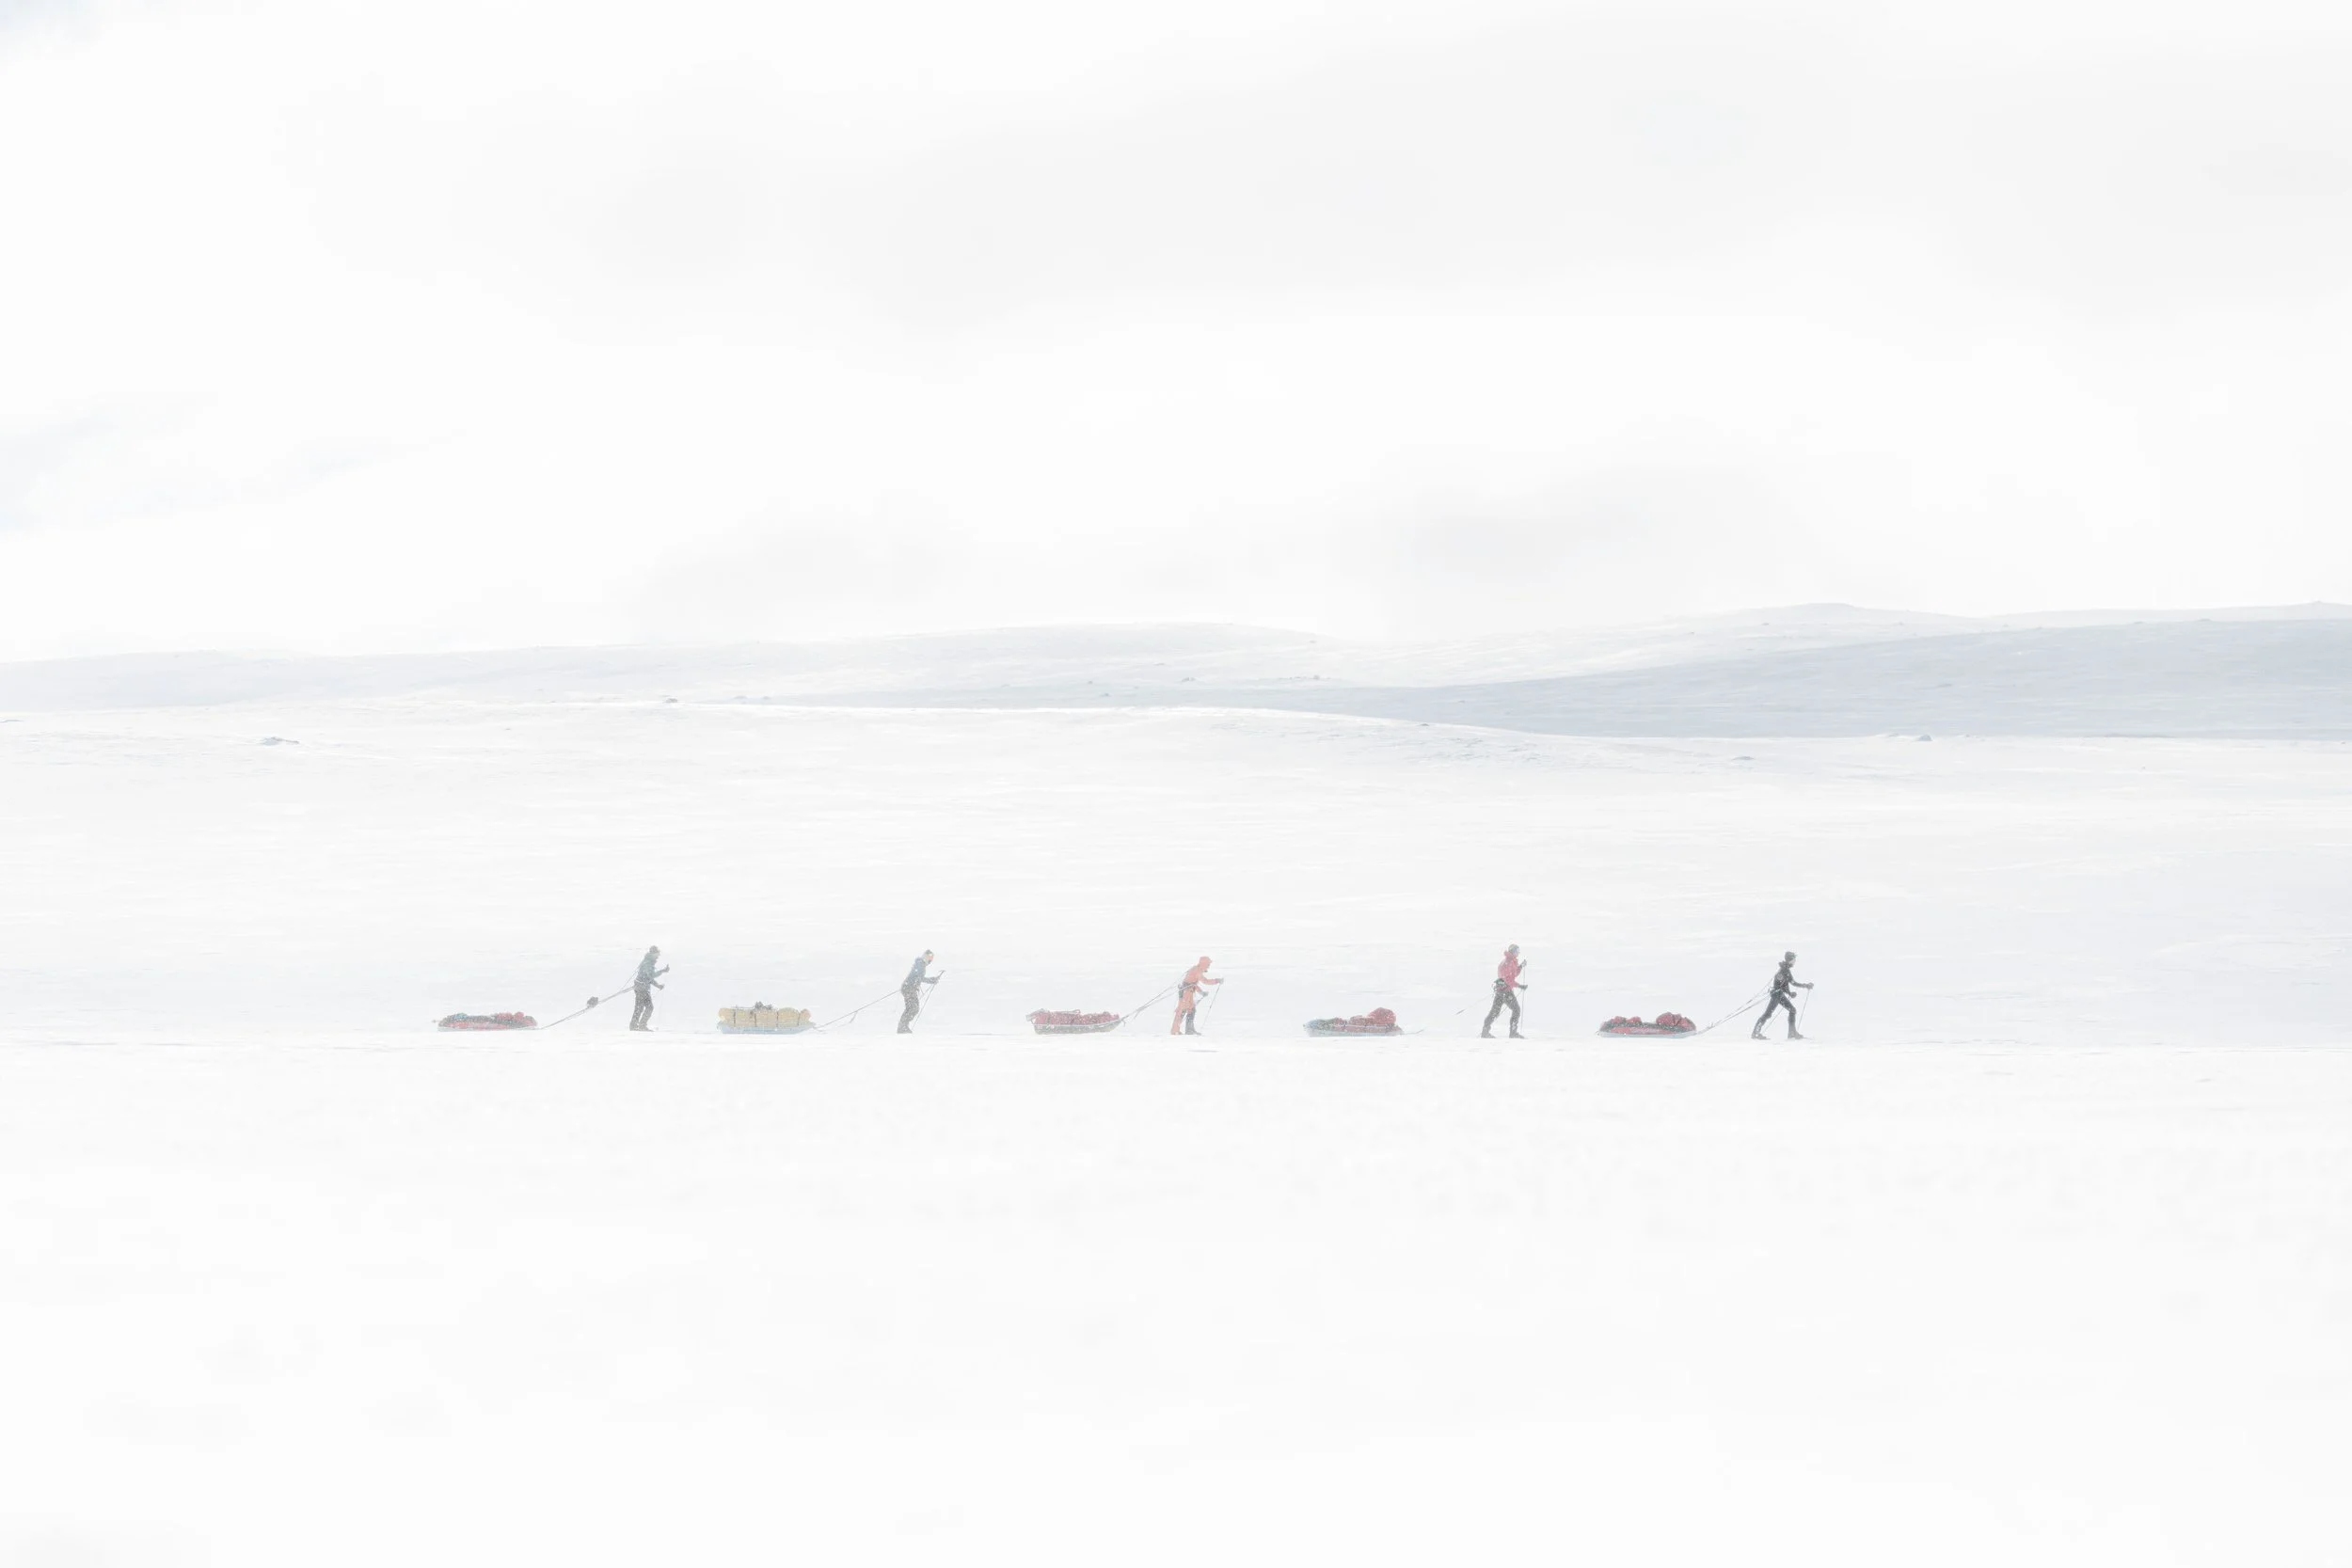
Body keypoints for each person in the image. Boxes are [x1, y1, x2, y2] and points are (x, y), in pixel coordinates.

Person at [1752, 950, 1812, 1039]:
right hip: (1776, 995)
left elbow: (1784, 984)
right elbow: (1791, 983)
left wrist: (1789, 993)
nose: (1795, 962)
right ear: (1790, 960)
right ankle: (1755, 1033)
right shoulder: (1784, 970)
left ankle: (1792, 1033)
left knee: (1792, 1010)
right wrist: (1805, 986)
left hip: (1779, 995)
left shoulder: (1785, 969)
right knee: (1768, 1014)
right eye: (1794, 960)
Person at [1481, 943, 1527, 1038]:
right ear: (1512, 951)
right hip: (1505, 991)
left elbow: (1513, 974)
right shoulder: (1508, 963)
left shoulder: (1509, 961)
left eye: (1518, 951)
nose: (1518, 953)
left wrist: (1521, 966)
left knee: (1495, 1012)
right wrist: (1520, 986)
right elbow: (1508, 980)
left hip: (1501, 991)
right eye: (1517, 951)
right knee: (1516, 1010)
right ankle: (1513, 1033)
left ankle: (1485, 1032)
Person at [1170, 956, 1222, 1036]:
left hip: (1188, 992)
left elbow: (1192, 984)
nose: (1209, 966)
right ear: (1204, 964)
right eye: (1208, 964)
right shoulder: (1197, 971)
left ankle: (1189, 1030)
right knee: (1182, 1011)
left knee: (1191, 1010)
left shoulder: (1196, 969)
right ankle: (1175, 1031)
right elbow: (1206, 981)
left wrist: (1201, 992)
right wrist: (1217, 981)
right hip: (1186, 993)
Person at [898, 950, 941, 1033]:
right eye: (929, 957)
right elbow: (919, 978)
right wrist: (932, 980)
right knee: (913, 1008)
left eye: (932, 958)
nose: (930, 960)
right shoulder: (920, 964)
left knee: (911, 1008)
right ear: (925, 956)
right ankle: (902, 1027)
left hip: (909, 988)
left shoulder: (920, 964)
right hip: (909, 988)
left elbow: (918, 977)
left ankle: (902, 1027)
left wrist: (931, 980)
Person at [629, 945, 667, 1030]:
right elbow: (651, 975)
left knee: (640, 1007)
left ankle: (635, 1025)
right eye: (657, 954)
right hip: (641, 988)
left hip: (641, 987)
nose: (658, 956)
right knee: (647, 1007)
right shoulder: (648, 963)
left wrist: (658, 986)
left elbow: (648, 978)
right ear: (653, 954)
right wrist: (662, 971)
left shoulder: (648, 961)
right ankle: (640, 1026)